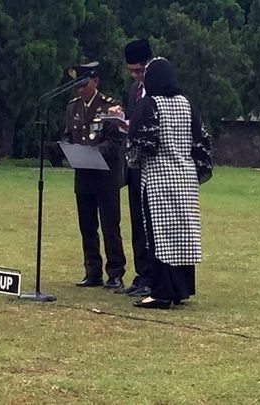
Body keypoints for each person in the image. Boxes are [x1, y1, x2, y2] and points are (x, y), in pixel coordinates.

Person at [126, 57, 213, 309]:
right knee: (183, 234)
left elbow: (142, 144)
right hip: (185, 178)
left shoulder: (150, 105)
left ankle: (161, 291)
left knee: (159, 236)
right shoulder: (188, 104)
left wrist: (132, 158)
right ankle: (181, 288)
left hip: (158, 179)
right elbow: (202, 141)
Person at [62, 61, 127, 289]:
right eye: (76, 85)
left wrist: (93, 152)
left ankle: (115, 273)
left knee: (110, 226)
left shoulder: (110, 106)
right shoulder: (73, 107)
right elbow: (69, 135)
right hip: (83, 175)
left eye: (83, 83)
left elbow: (115, 141)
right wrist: (68, 150)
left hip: (106, 175)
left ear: (95, 81)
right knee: (87, 225)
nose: (79, 89)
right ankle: (92, 271)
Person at [109, 39, 154, 297]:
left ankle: (152, 276)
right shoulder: (134, 91)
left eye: (139, 71)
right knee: (136, 219)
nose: (136, 76)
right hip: (134, 164)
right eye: (132, 72)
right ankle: (141, 272)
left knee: (150, 222)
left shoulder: (158, 90)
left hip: (152, 165)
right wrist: (121, 119)